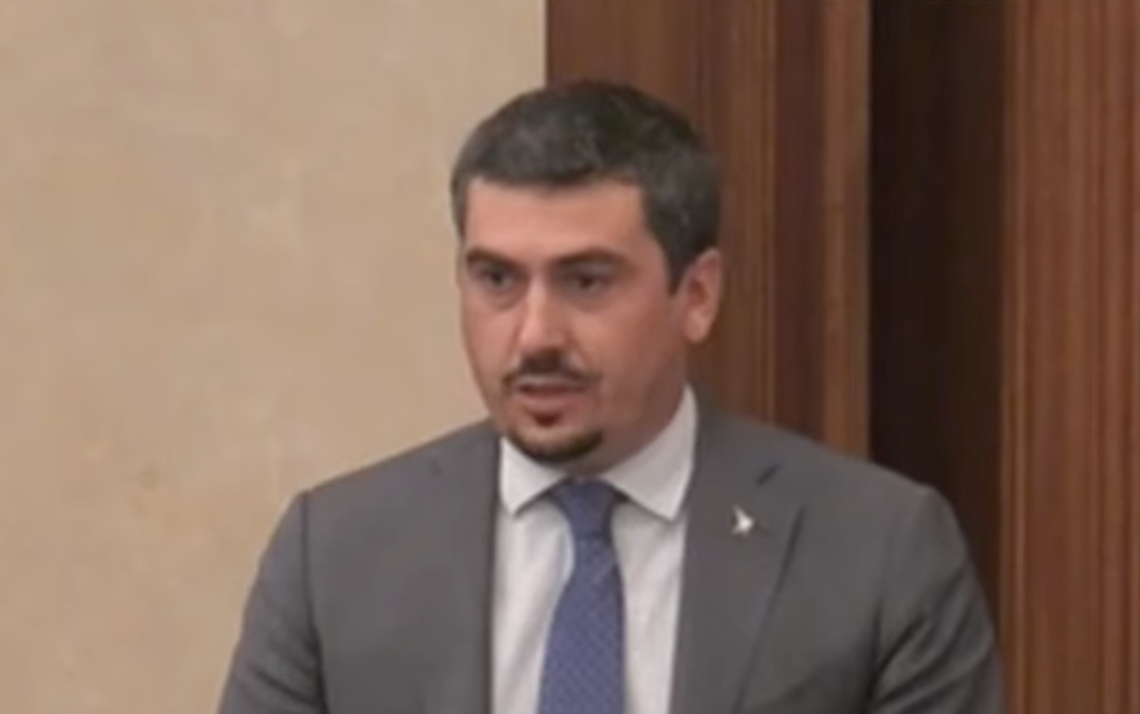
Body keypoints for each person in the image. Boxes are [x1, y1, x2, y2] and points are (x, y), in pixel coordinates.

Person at [217, 79, 1004, 714]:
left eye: (586, 281)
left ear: (697, 295)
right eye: (496, 279)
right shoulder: (336, 556)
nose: (534, 335)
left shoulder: (877, 552)